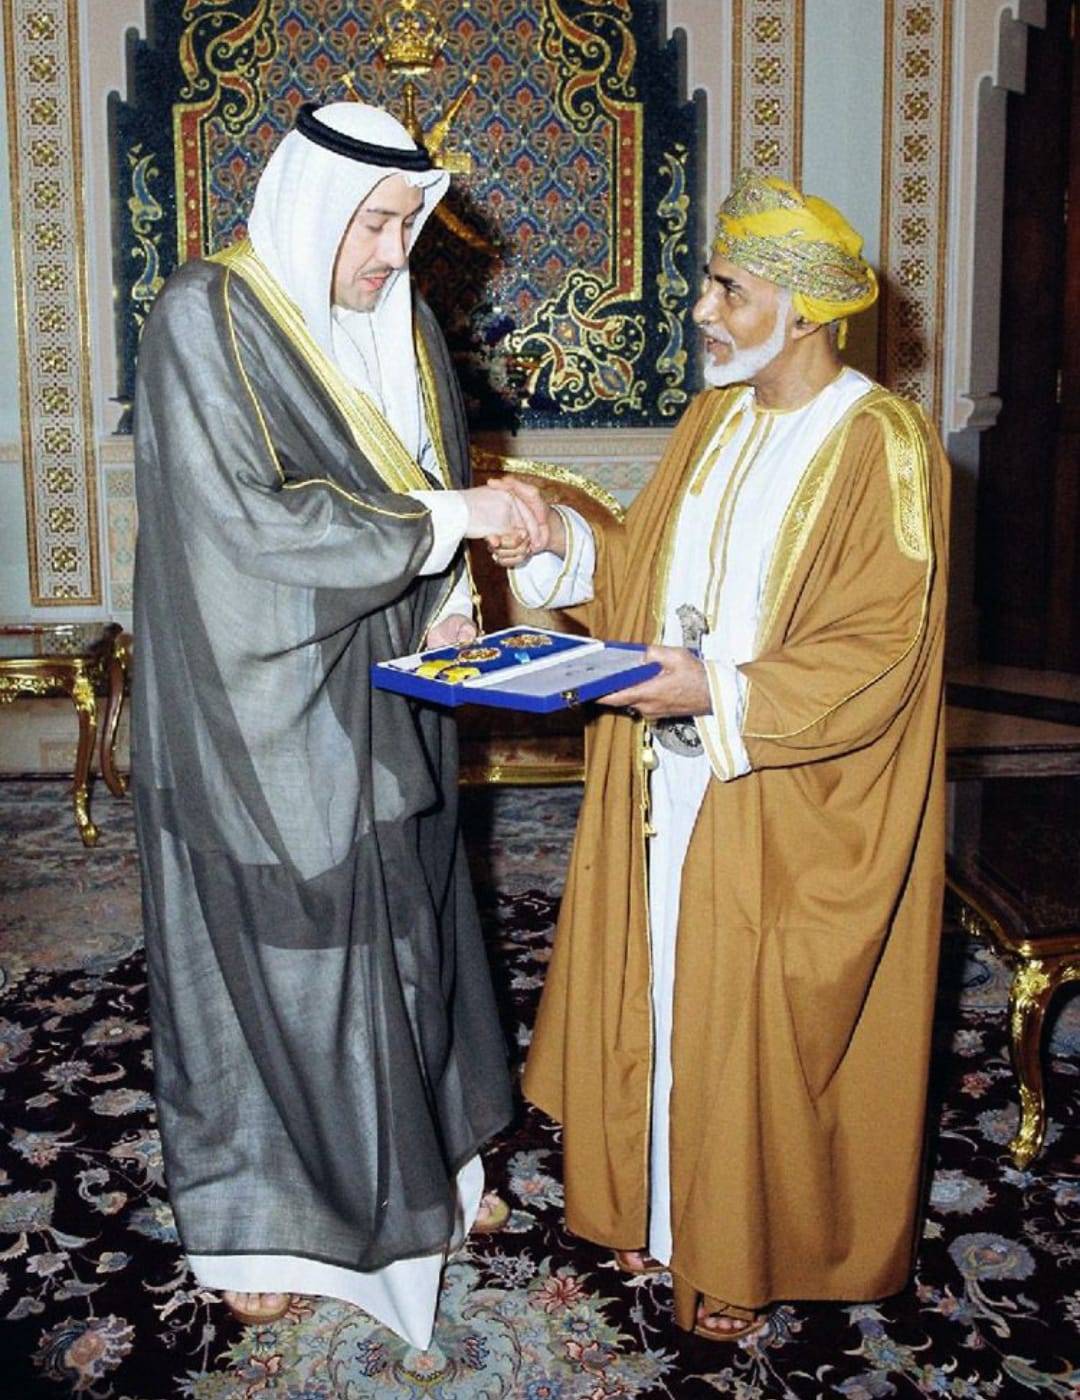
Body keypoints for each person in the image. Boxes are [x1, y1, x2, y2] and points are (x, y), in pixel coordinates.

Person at [492, 171, 949, 1342]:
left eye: (729, 288)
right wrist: (552, 537)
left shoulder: (883, 443)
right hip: (668, 774)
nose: (702, 307)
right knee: (661, 985)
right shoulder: (716, 418)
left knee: (752, 1017)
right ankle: (657, 1201)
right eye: (710, 281)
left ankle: (740, 1244)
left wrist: (719, 690)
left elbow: (880, 647)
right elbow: (641, 574)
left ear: (803, 310)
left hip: (784, 788)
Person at [131, 101, 547, 1346]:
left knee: (409, 927)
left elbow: (427, 468)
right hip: (259, 697)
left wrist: (456, 599)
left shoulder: (400, 318)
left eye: (407, 225)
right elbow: (243, 526)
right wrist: (451, 524)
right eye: (371, 224)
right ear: (312, 209)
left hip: (391, 682)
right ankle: (271, 1225)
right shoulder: (205, 315)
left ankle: (430, 1173)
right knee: (289, 951)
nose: (390, 252)